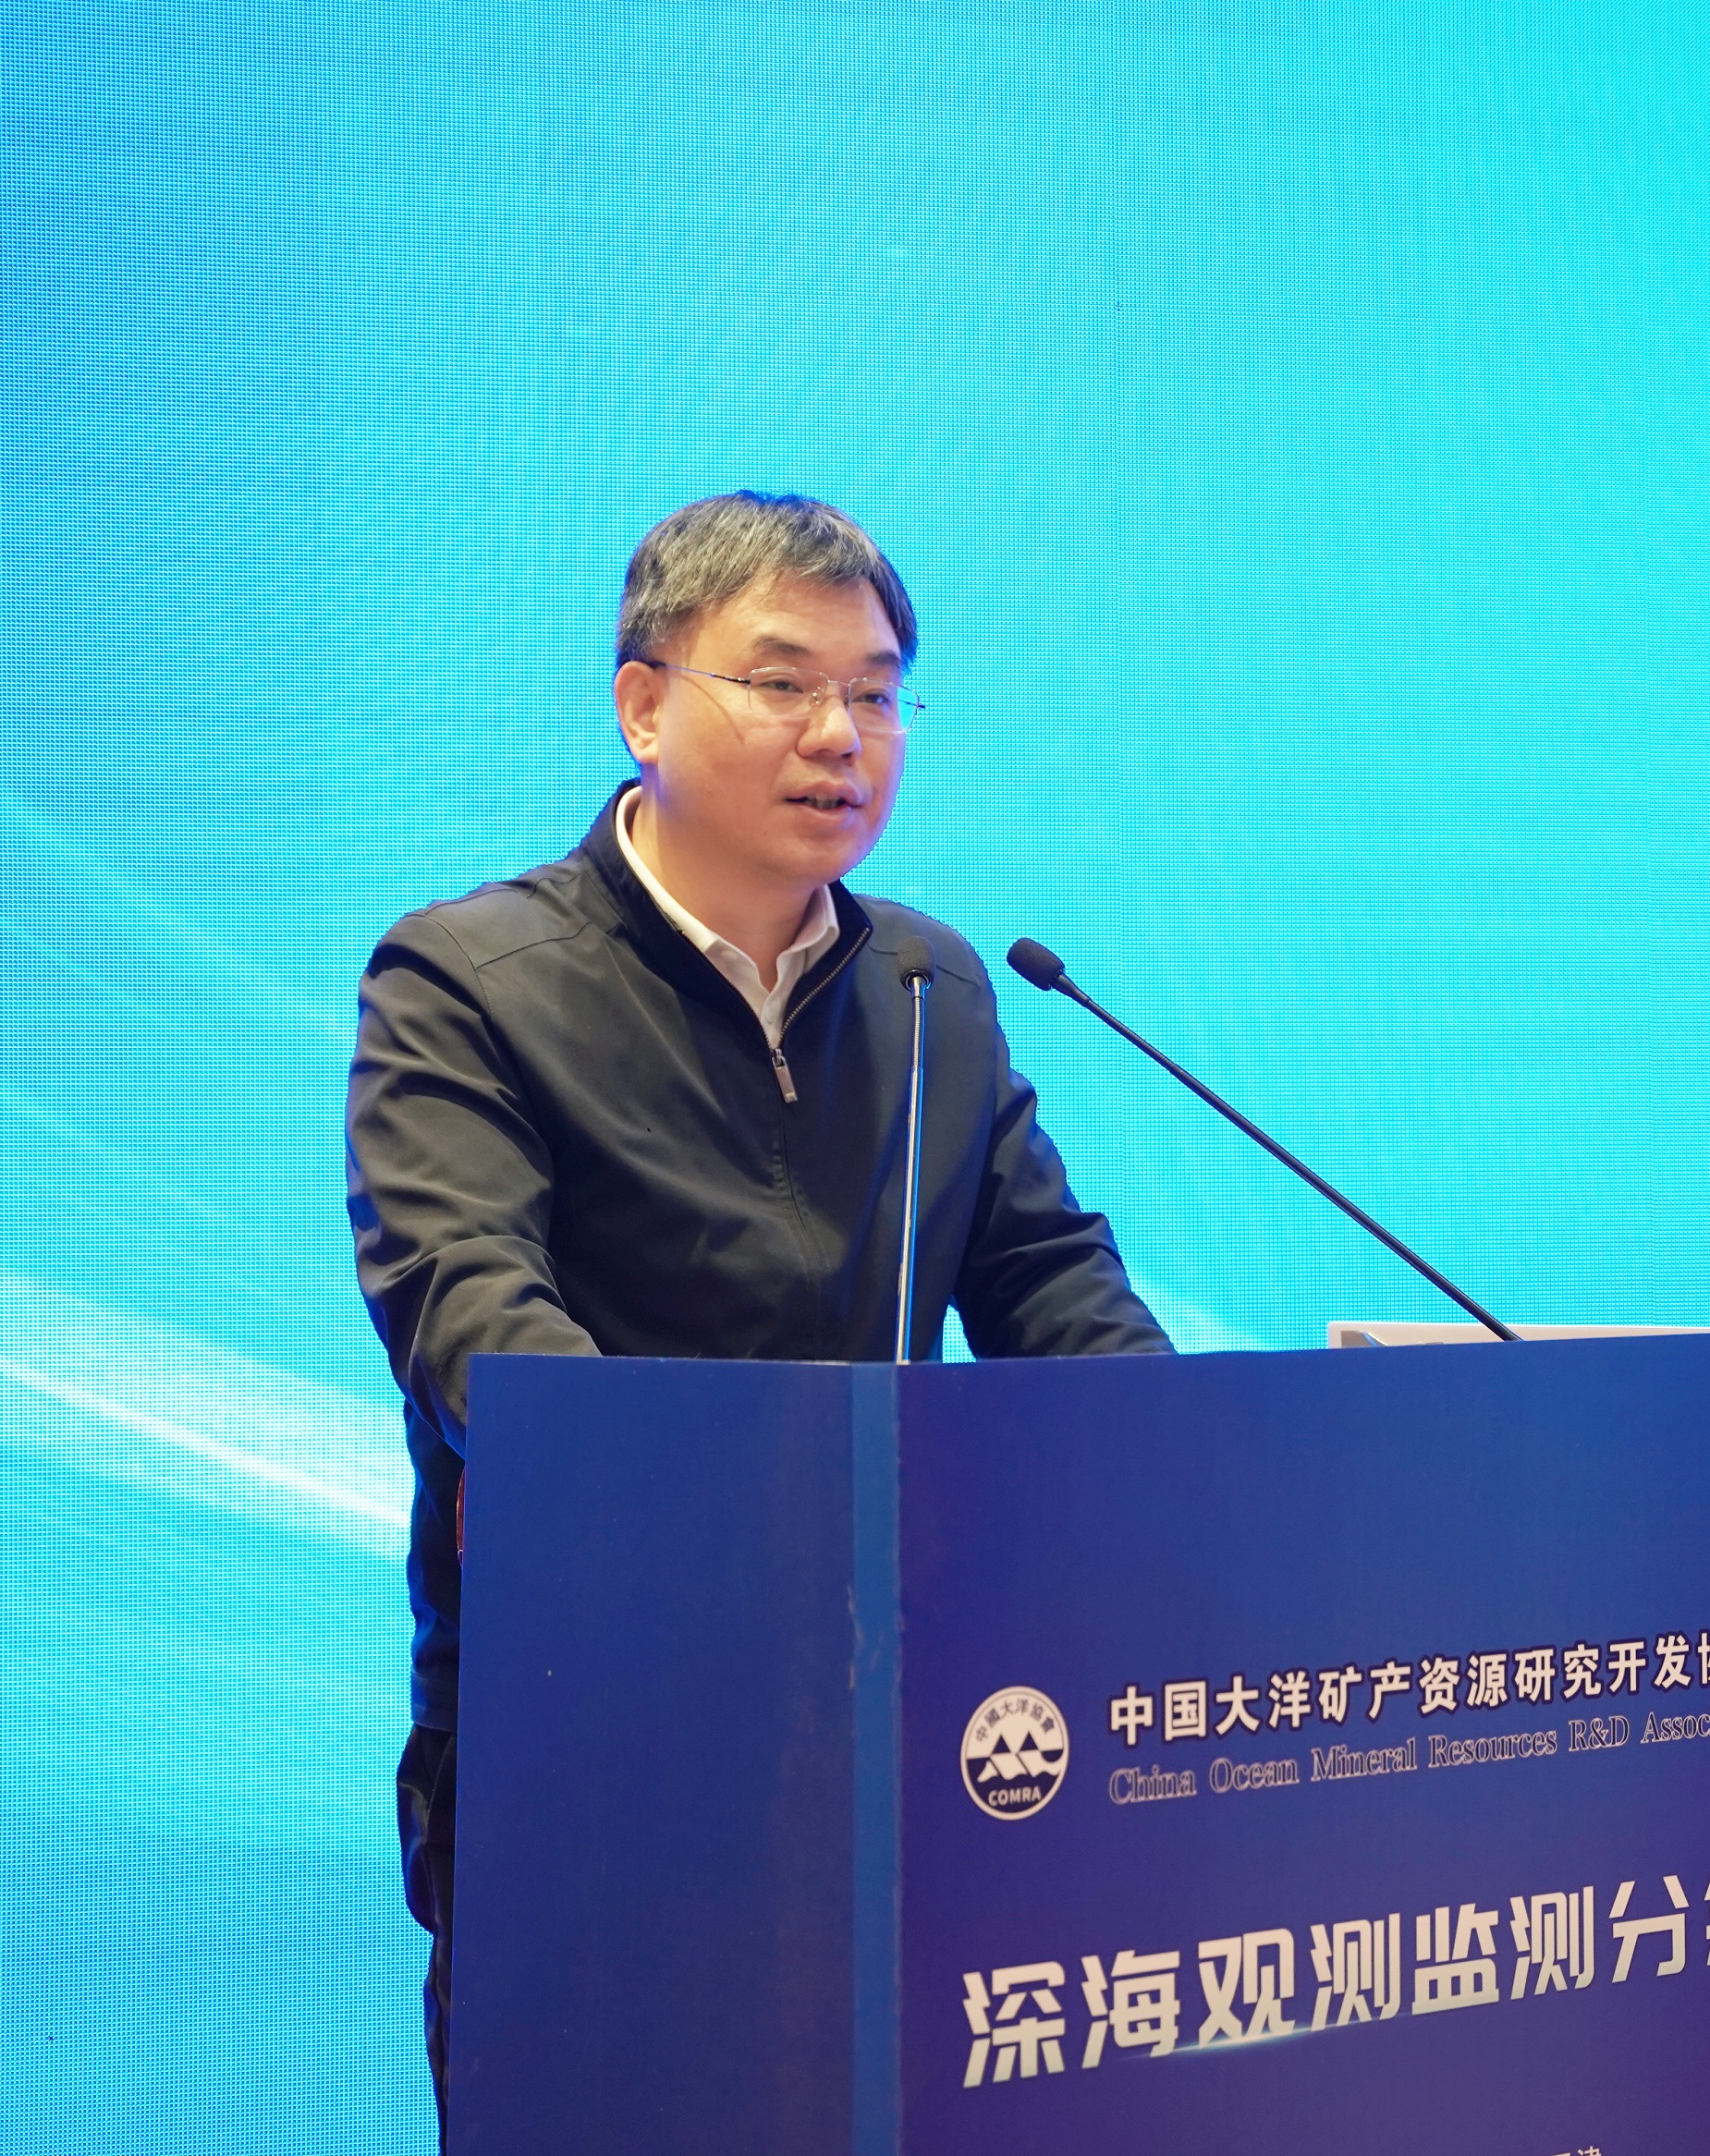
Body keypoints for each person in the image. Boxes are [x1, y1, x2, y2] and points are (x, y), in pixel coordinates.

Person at [344, 491, 1169, 2138]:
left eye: (875, 693)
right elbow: (478, 1327)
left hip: (913, 1740)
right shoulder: (467, 983)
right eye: (783, 683)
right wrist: (769, 1526)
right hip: (605, 1739)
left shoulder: (932, 991)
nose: (840, 735)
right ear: (643, 704)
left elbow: (1054, 1291)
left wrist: (1204, 1472)